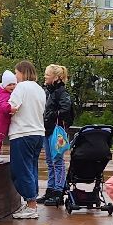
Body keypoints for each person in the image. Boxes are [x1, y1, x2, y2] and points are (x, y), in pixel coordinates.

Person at [6, 60, 48, 219]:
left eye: (16, 73)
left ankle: (31, 205)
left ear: (22, 73)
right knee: (31, 168)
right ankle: (32, 202)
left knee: (21, 169)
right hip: (38, 133)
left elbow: (12, 107)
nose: (15, 76)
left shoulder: (21, 87)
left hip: (22, 132)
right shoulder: (39, 89)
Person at [39, 64, 76, 204]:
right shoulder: (49, 91)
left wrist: (52, 115)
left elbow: (65, 110)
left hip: (56, 131)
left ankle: (58, 191)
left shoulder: (61, 92)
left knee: (57, 161)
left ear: (56, 78)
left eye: (47, 75)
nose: (45, 76)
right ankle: (51, 189)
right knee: (50, 161)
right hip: (48, 130)